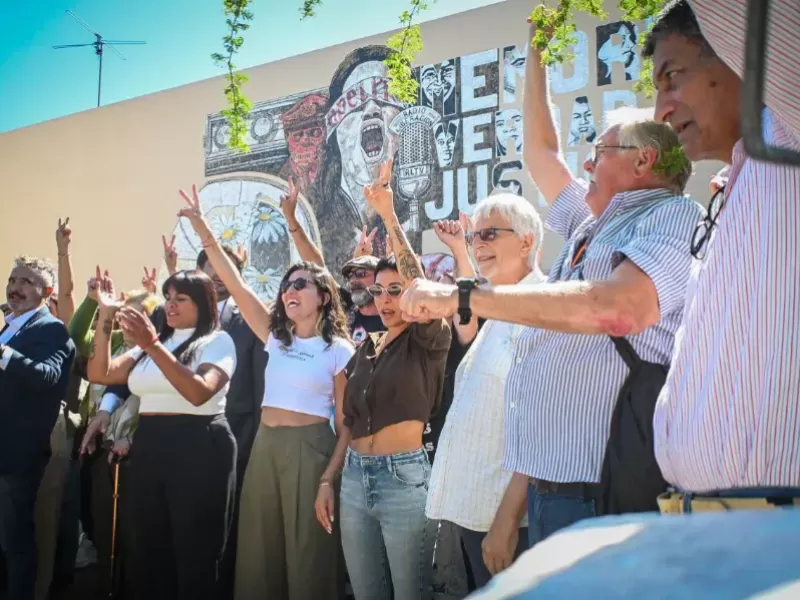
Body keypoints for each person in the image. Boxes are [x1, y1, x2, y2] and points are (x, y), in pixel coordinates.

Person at [400, 17, 703, 547]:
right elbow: (542, 154)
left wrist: (460, 295)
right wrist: (537, 52)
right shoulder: (594, 223)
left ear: (644, 159)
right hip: (552, 492)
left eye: (601, 151)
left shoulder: (670, 215)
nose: (586, 163)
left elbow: (619, 307)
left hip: (598, 495)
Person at [643, 0, 800, 503]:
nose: (659, 111)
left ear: (743, 54)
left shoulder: (788, 130)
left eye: (673, 77)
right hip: (710, 523)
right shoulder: (738, 179)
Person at [178, 184, 355, 600]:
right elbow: (235, 282)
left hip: (311, 451)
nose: (289, 291)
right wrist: (202, 228)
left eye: (300, 285)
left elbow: (347, 425)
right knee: (260, 556)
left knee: (308, 555)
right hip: (265, 446)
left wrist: (329, 478)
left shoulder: (339, 350)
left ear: (323, 298)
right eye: (286, 285)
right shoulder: (276, 337)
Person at [314, 160, 451, 600]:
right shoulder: (364, 350)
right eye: (380, 290)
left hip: (404, 480)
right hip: (354, 479)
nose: (387, 299)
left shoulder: (429, 338)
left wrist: (389, 217)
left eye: (397, 290)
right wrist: (328, 479)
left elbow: (421, 290)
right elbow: (349, 424)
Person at [86, 269, 238, 600]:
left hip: (200, 446)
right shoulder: (154, 345)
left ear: (203, 303)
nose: (171, 305)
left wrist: (152, 344)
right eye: (168, 298)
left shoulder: (217, 341)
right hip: (151, 447)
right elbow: (100, 372)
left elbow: (199, 392)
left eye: (181, 299)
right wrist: (107, 314)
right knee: (149, 552)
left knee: (195, 554)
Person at [426, 194, 544, 587]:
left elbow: (540, 429)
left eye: (490, 234)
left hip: (507, 522)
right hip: (476, 512)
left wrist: (507, 522)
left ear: (526, 242)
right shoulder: (500, 310)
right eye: (474, 237)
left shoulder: (541, 310)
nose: (478, 245)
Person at [0, 255, 75, 600]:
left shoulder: (52, 329)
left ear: (46, 292)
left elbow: (46, 376)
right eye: (13, 280)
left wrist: (3, 353)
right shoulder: (10, 325)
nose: (15, 288)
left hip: (17, 456)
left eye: (26, 282)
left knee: (15, 543)